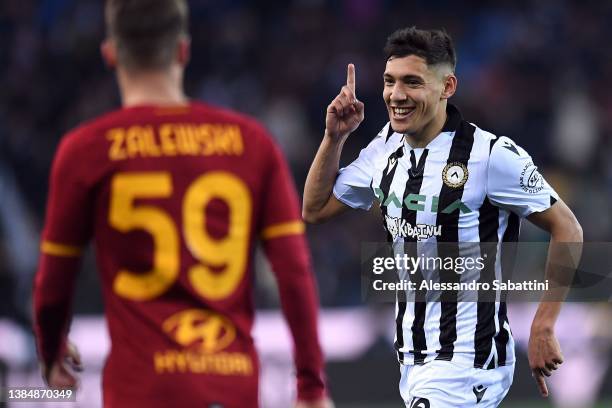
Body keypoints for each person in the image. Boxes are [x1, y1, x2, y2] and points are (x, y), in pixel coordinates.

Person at [32, 1, 332, 407]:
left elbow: (53, 284)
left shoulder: (85, 150)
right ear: (183, 50)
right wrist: (311, 387)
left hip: (139, 390)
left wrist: (51, 353)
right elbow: (294, 272)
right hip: (229, 386)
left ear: (110, 53)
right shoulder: (252, 143)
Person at [303, 26, 582, 407]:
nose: (396, 94)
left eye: (412, 82)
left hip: (469, 361)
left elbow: (567, 227)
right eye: (389, 81)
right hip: (414, 361)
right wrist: (334, 138)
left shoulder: (490, 155)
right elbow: (315, 209)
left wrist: (544, 323)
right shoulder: (384, 147)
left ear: (447, 87)